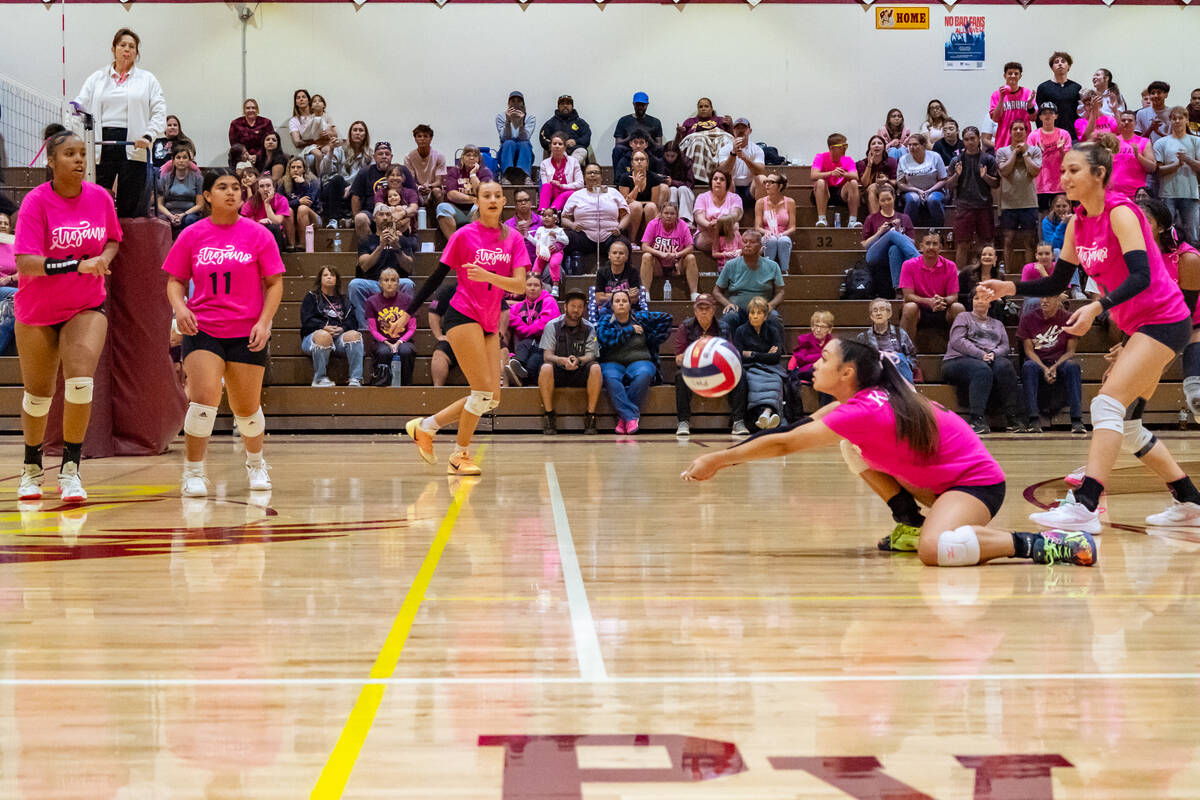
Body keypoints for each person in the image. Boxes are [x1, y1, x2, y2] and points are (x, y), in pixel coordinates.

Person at [681, 337, 1098, 568]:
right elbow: (797, 429)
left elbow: (785, 443)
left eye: (823, 358)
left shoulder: (865, 410)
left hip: (975, 486)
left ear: (847, 373)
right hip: (935, 486)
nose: (813, 364)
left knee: (935, 551)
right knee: (851, 447)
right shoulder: (860, 402)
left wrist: (716, 460)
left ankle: (1044, 544)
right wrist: (725, 456)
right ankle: (910, 521)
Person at [982, 140, 1200, 532]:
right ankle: (1189, 501)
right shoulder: (1077, 223)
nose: (1064, 177)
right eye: (1062, 170)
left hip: (1165, 320)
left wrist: (1097, 307)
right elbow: (1056, 282)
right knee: (1129, 426)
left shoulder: (1122, 212)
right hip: (1141, 326)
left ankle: (1085, 504)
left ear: (1099, 174)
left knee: (1106, 405)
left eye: (1073, 170)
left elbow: (1142, 276)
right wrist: (1010, 289)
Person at [11, 131, 122, 501]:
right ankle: (31, 469)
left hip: (85, 306)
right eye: (70, 154)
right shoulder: (35, 203)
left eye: (82, 153)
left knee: (79, 381)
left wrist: (104, 259)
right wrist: (76, 265)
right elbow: (25, 262)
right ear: (51, 161)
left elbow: (112, 238)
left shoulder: (100, 198)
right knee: (39, 394)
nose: (79, 160)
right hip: (37, 310)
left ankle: (71, 471)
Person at [163, 167, 284, 498]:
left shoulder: (259, 235)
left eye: (235, 187)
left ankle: (256, 463)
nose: (231, 192)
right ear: (207, 196)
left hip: (246, 331)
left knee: (246, 408)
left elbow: (274, 284)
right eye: (222, 187)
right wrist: (181, 308)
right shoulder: (192, 234)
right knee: (203, 398)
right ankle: (194, 472)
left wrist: (263, 322)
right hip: (203, 328)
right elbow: (174, 280)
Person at [402, 180, 529, 476]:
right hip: (461, 315)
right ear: (479, 201)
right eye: (487, 195)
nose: (493, 199)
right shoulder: (463, 236)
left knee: (491, 398)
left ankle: (426, 426)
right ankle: (460, 455)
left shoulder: (514, 239)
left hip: (489, 319)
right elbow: (435, 278)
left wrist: (488, 275)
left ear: (503, 201)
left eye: (498, 195)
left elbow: (520, 285)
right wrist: (408, 312)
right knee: (482, 393)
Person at [72, 28, 166, 217]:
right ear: (113, 48)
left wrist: (149, 135)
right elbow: (78, 107)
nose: (127, 49)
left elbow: (159, 112)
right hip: (100, 144)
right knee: (96, 199)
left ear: (136, 52)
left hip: (134, 144)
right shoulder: (96, 78)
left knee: (131, 204)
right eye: (123, 45)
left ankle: (128, 244)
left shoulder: (148, 79)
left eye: (132, 46)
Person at [1141, 198, 1200, 419]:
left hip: (1193, 318)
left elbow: (1187, 313)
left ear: (1162, 226)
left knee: (1196, 392)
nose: (1137, 225)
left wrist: (1165, 357)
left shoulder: (1186, 257)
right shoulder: (1135, 259)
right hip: (1159, 323)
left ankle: (1196, 392)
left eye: (1145, 220)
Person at [942, 288, 1025, 434]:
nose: (980, 301)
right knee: (981, 369)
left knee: (1005, 366)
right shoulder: (963, 317)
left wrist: (993, 353)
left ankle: (1012, 417)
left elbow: (1004, 346)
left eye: (984, 298)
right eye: (976, 298)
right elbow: (957, 341)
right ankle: (976, 419)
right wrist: (980, 354)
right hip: (957, 359)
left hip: (988, 358)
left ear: (990, 303)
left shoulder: (997, 324)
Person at [595, 289, 673, 435]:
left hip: (640, 360)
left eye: (624, 301)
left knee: (644, 374)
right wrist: (628, 331)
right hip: (612, 362)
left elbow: (667, 318)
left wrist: (653, 336)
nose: (621, 304)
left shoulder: (640, 318)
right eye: (617, 301)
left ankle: (624, 418)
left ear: (630, 305)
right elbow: (604, 339)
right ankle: (630, 417)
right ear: (611, 306)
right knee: (610, 378)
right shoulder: (606, 320)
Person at [673, 293, 749, 437]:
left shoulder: (724, 327)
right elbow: (678, 360)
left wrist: (713, 349)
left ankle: (738, 421)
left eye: (706, 308)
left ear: (713, 310)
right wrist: (699, 349)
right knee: (680, 376)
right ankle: (683, 421)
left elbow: (731, 356)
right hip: (694, 371)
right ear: (694, 311)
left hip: (718, 370)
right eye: (699, 308)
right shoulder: (686, 327)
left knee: (741, 375)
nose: (703, 311)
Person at [538, 288, 601, 436]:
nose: (576, 310)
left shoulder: (590, 328)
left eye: (580, 307)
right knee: (546, 367)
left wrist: (579, 360)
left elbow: (592, 354)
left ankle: (590, 416)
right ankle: (549, 415)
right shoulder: (552, 326)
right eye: (573, 306)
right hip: (559, 369)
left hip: (580, 370)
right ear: (565, 307)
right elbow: (547, 355)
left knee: (596, 368)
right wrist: (561, 360)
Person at [1017, 293, 1083, 433]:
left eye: (1049, 297)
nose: (1044, 300)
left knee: (1073, 367)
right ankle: (1033, 420)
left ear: (1058, 299)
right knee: (1028, 366)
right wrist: (1044, 368)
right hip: (1037, 361)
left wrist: (1054, 367)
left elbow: (1071, 352)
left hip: (1060, 361)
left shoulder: (1069, 318)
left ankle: (1077, 420)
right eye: (1042, 297)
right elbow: (1028, 351)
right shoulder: (1028, 318)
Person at [350, 206, 416, 329]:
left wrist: (397, 249)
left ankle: (403, 327)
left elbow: (409, 267)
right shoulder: (366, 240)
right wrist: (380, 246)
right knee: (355, 284)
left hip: (395, 283)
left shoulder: (402, 240)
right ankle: (365, 329)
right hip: (373, 283)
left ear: (391, 218)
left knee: (408, 283)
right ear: (374, 218)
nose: (385, 217)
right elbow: (364, 266)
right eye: (381, 214)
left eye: (388, 214)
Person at [713, 230, 785, 338]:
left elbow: (781, 292)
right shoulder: (730, 265)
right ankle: (727, 353)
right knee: (727, 320)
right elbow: (716, 291)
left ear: (760, 245)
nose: (747, 245)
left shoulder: (772, 266)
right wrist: (727, 304)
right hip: (738, 310)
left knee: (774, 318)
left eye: (752, 242)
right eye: (745, 241)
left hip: (762, 309)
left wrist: (771, 305)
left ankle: (777, 351)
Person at [301, 265, 363, 387]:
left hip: (338, 338)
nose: (329, 277)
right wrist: (323, 326)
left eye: (332, 275)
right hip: (314, 338)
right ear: (320, 279)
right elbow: (306, 321)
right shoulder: (312, 297)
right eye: (325, 275)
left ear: (337, 279)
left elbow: (352, 321)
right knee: (323, 336)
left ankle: (356, 378)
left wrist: (343, 328)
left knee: (354, 335)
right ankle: (319, 378)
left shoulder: (344, 299)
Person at [946, 126, 999, 270]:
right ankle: (959, 279)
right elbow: (949, 185)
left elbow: (996, 183)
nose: (970, 142)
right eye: (967, 139)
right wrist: (957, 174)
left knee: (986, 243)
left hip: (984, 206)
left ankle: (987, 275)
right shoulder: (956, 160)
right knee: (962, 244)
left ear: (978, 139)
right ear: (963, 141)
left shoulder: (988, 159)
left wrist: (985, 176)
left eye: (972, 139)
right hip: (964, 207)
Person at [899, 230, 965, 344]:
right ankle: (905, 352)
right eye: (928, 243)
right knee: (909, 307)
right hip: (919, 310)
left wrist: (942, 300)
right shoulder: (908, 265)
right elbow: (908, 296)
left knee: (958, 307)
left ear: (940, 248)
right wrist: (928, 301)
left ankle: (958, 350)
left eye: (935, 244)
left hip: (942, 309)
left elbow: (954, 297)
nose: (931, 247)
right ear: (921, 247)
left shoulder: (950, 266)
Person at [996, 119, 1043, 274]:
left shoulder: (1035, 150)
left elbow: (1034, 171)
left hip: (1029, 202)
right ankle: (1008, 275)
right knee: (1008, 240)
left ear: (1026, 132)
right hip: (1008, 203)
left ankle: (1028, 276)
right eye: (1015, 129)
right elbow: (1004, 171)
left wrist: (1025, 153)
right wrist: (1015, 153)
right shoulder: (1002, 151)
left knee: (1029, 241)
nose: (1018, 131)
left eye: (1021, 129)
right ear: (1010, 132)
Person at [561, 164, 629, 269]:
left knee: (624, 244)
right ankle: (559, 277)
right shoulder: (576, 195)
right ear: (584, 177)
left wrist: (620, 228)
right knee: (563, 239)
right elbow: (564, 218)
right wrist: (572, 225)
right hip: (583, 236)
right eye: (589, 173)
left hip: (610, 236)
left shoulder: (613, 192)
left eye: (596, 172)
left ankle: (624, 279)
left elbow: (626, 215)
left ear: (601, 177)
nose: (593, 175)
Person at [735, 296, 787, 431]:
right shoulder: (740, 331)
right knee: (753, 382)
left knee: (776, 380)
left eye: (759, 313)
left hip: (771, 367)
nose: (755, 316)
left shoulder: (772, 330)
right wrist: (765, 354)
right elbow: (739, 356)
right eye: (752, 313)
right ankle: (763, 415)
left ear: (765, 316)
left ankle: (767, 413)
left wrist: (752, 354)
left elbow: (775, 357)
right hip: (751, 368)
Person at [1153, 107, 1200, 246]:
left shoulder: (1196, 141)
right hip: (1168, 194)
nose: (1177, 121)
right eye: (1174, 118)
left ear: (1187, 120)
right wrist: (1177, 164)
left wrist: (1187, 160)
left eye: (1181, 118)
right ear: (1170, 121)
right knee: (1168, 233)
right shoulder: (1161, 143)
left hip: (1190, 194)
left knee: (1192, 234)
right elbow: (1158, 171)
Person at [861, 184, 919, 294]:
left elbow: (911, 243)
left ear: (894, 198)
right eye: (883, 200)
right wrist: (880, 232)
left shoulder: (904, 218)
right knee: (892, 235)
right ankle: (918, 260)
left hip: (895, 255)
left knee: (895, 248)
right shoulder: (871, 218)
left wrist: (899, 231)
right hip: (874, 256)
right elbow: (865, 245)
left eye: (889, 199)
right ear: (878, 202)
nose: (886, 202)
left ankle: (897, 289)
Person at [363, 268, 416, 387]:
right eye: (386, 280)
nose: (390, 283)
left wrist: (399, 342)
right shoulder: (372, 301)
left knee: (406, 351)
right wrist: (387, 343)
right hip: (381, 341)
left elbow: (412, 327)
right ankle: (381, 385)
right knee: (383, 352)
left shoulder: (408, 300)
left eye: (393, 280)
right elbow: (373, 329)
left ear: (398, 283)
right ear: (380, 284)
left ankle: (406, 387)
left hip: (404, 341)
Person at [505, 273, 558, 387]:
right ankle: (516, 369)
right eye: (529, 285)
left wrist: (522, 328)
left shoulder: (549, 301)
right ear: (524, 287)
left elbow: (543, 326)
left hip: (546, 345)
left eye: (536, 285)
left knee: (531, 361)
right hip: (528, 345)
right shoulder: (520, 306)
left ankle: (516, 365)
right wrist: (519, 323)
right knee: (526, 348)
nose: (532, 288)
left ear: (542, 287)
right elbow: (505, 313)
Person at [436, 145, 494, 243]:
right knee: (442, 207)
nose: (471, 158)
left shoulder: (485, 172)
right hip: (457, 210)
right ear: (462, 157)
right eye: (468, 155)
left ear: (479, 159)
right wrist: (473, 199)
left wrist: (473, 175)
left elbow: (482, 193)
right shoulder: (454, 171)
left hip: (475, 211)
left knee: (483, 206)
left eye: (475, 156)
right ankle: (454, 244)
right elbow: (451, 194)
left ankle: (474, 244)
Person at [318, 119, 371, 225]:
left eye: (361, 130)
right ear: (350, 134)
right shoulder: (340, 150)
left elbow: (368, 178)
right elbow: (324, 170)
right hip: (336, 187)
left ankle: (350, 219)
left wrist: (353, 187)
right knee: (338, 179)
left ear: (365, 135)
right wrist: (331, 151)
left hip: (355, 190)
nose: (357, 133)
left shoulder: (369, 155)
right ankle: (333, 220)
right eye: (355, 130)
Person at [784, 309, 834, 421]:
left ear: (829, 330)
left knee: (827, 377)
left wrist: (815, 358)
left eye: (821, 326)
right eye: (815, 326)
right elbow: (801, 359)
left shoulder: (832, 343)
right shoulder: (804, 339)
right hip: (806, 371)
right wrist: (821, 357)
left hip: (822, 373)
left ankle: (824, 417)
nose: (817, 329)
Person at [350, 141, 405, 241]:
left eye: (387, 154)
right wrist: (356, 216)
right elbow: (355, 197)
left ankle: (394, 250)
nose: (384, 156)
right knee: (360, 218)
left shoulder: (400, 171)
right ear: (374, 157)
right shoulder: (365, 172)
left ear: (391, 157)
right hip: (371, 213)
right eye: (380, 154)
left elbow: (412, 194)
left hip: (396, 212)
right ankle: (370, 248)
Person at [857, 298, 917, 383]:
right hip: (875, 377)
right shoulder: (863, 337)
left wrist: (905, 365)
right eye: (875, 310)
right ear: (871, 316)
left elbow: (911, 355)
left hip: (898, 376)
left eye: (882, 310)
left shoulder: (900, 333)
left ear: (889, 314)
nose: (878, 313)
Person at [674, 98, 733, 183]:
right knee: (699, 140)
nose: (703, 108)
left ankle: (722, 175)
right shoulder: (689, 122)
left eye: (706, 106)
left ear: (711, 109)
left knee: (725, 140)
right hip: (699, 143)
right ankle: (698, 177)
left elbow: (731, 138)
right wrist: (678, 134)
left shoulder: (720, 120)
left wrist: (731, 125)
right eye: (700, 106)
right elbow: (681, 145)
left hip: (716, 143)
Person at [897, 134, 948, 226]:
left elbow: (943, 179)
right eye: (910, 145)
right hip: (912, 190)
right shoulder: (903, 159)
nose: (912, 147)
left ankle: (938, 230)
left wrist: (929, 191)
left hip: (934, 189)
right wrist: (916, 190)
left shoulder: (935, 156)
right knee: (913, 200)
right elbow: (900, 183)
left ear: (924, 145)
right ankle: (907, 229)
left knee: (933, 200)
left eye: (915, 144)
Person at [811, 133, 861, 228]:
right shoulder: (820, 157)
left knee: (853, 182)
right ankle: (822, 219)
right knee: (820, 181)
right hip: (823, 192)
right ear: (831, 148)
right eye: (841, 146)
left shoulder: (848, 160)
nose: (844, 148)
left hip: (840, 193)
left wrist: (844, 174)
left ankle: (852, 221)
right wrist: (831, 173)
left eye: (846, 145)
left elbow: (856, 176)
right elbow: (813, 175)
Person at [716, 117, 766, 209]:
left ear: (749, 131)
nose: (740, 130)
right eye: (737, 128)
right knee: (725, 178)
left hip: (750, 189)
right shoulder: (725, 149)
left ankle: (760, 215)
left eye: (743, 128)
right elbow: (723, 171)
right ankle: (730, 215)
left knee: (762, 178)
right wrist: (733, 154)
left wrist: (745, 158)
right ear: (733, 131)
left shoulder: (756, 149)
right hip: (732, 188)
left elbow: (760, 171)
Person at [155, 144, 204, 236]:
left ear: (190, 161)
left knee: (190, 220)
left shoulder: (198, 178)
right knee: (160, 221)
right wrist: (170, 216)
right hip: (169, 213)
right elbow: (159, 204)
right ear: (173, 161)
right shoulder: (164, 178)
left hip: (189, 214)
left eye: (185, 158)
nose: (181, 160)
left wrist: (183, 214)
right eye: (178, 157)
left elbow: (200, 205)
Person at [617, 150, 666, 241]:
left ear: (647, 163)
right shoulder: (624, 178)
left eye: (642, 159)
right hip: (631, 209)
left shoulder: (654, 178)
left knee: (650, 207)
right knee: (636, 206)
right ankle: (632, 240)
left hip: (649, 209)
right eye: (636, 159)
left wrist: (637, 202)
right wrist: (637, 186)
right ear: (632, 163)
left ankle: (650, 240)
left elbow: (654, 202)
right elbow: (625, 202)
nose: (639, 162)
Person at [693, 168, 742, 254]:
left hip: (728, 233)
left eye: (722, 179)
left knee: (734, 231)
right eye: (715, 179)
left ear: (727, 183)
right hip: (706, 234)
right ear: (711, 182)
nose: (718, 181)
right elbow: (698, 216)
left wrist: (720, 223)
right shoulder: (702, 197)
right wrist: (708, 224)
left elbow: (735, 214)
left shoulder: (735, 198)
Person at [990, 61, 1037, 151]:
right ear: (1005, 75)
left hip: (1024, 142)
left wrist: (1030, 105)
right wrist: (1002, 98)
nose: (1013, 76)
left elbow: (1033, 118)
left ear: (1020, 76)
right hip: (1004, 142)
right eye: (1010, 73)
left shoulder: (1027, 93)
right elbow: (995, 118)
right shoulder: (996, 94)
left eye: (1016, 73)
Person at [1035, 51, 1082, 140]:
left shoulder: (1077, 87)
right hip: (1049, 136)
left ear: (1069, 66)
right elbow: (1039, 115)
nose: (1060, 64)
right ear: (1052, 67)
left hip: (1072, 136)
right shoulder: (1043, 87)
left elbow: (1080, 113)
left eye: (1063, 62)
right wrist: (1041, 135)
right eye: (1056, 62)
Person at [279, 156, 322, 252]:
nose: (295, 170)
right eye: (293, 167)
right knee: (287, 210)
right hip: (292, 216)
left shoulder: (312, 182)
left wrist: (302, 185)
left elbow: (308, 202)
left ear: (304, 169)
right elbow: (280, 204)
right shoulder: (282, 183)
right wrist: (298, 202)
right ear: (289, 169)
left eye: (299, 167)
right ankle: (291, 244)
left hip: (312, 217)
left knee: (302, 208)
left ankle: (303, 244)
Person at [756, 173, 796, 275]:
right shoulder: (760, 202)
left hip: (783, 234)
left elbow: (792, 227)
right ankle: (769, 270)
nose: (767, 185)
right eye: (766, 182)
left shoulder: (790, 202)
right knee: (771, 240)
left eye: (771, 182)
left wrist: (783, 234)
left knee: (784, 241)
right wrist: (767, 232)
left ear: (780, 186)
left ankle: (784, 270)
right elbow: (757, 227)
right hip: (767, 234)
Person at [1111, 109, 1156, 199]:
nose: (1126, 122)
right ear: (1119, 123)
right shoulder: (1112, 141)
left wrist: (1138, 156)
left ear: (1135, 124)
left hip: (1136, 194)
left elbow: (1152, 168)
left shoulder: (1144, 142)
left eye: (1130, 120)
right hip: (1114, 194)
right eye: (1123, 120)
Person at [613, 92, 664, 170]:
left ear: (647, 105)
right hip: (629, 150)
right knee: (617, 150)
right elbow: (618, 143)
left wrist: (648, 137)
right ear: (633, 104)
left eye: (643, 105)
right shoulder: (623, 121)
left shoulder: (655, 122)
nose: (640, 107)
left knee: (661, 150)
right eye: (638, 105)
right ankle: (617, 179)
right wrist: (631, 136)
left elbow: (659, 145)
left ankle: (658, 177)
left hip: (648, 150)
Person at [538, 94, 592, 167]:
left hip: (576, 150)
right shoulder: (550, 123)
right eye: (562, 104)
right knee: (555, 153)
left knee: (582, 151)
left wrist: (575, 141)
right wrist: (555, 144)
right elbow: (543, 138)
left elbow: (587, 138)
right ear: (558, 107)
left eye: (568, 103)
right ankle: (566, 171)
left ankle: (568, 168)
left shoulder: (581, 123)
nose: (565, 106)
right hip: (557, 151)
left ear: (572, 106)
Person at [496, 90, 536, 185]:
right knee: (509, 142)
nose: (516, 104)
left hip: (524, 150)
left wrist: (521, 123)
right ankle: (505, 175)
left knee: (524, 144)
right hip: (506, 149)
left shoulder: (530, 118)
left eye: (519, 101)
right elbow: (505, 137)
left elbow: (525, 138)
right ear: (508, 103)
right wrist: (508, 122)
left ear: (523, 103)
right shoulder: (500, 117)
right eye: (513, 101)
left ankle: (526, 176)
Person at [240, 174, 289, 250]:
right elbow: (244, 223)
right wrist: (259, 223)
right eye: (262, 186)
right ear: (258, 189)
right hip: (257, 234)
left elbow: (277, 221)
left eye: (268, 185)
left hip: (277, 235)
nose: (265, 189)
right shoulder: (251, 202)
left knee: (272, 227)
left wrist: (267, 203)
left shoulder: (281, 200)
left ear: (273, 187)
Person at [404, 124, 446, 210]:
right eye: (419, 136)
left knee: (437, 191)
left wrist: (429, 186)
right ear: (415, 139)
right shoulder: (408, 157)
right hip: (416, 188)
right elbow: (410, 180)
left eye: (425, 136)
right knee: (408, 192)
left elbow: (439, 181)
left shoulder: (439, 156)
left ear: (430, 139)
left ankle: (439, 221)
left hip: (432, 187)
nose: (422, 139)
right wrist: (419, 187)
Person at [595, 238, 644, 312]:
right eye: (614, 253)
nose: (617, 256)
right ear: (609, 255)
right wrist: (626, 294)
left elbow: (634, 299)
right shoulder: (601, 272)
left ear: (626, 257)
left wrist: (607, 295)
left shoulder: (633, 272)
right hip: (608, 309)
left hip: (630, 310)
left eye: (621, 253)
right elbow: (599, 299)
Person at [539, 133, 584, 212]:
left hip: (568, 193)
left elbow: (580, 184)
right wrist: (554, 183)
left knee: (565, 194)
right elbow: (545, 184)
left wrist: (562, 186)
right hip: (553, 194)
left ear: (564, 147)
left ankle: (551, 212)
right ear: (550, 146)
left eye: (560, 144)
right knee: (546, 186)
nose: (557, 146)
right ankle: (542, 211)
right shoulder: (544, 163)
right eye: (554, 144)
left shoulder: (573, 161)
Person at [858, 135, 899, 217]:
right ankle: (876, 221)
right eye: (873, 144)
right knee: (873, 186)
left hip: (887, 189)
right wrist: (869, 164)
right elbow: (864, 183)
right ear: (869, 148)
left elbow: (896, 182)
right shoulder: (862, 163)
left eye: (880, 143)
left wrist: (887, 180)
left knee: (886, 186)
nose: (876, 145)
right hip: (868, 193)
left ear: (884, 147)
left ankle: (889, 218)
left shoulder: (891, 161)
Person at [661, 141, 697, 224]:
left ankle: (685, 220)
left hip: (686, 193)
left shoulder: (685, 161)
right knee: (673, 189)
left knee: (683, 189)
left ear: (678, 154)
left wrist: (673, 182)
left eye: (672, 156)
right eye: (667, 155)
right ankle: (671, 218)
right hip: (669, 193)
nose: (669, 158)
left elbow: (690, 184)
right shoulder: (661, 162)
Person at [228, 98, 274, 164]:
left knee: (267, 173)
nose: (251, 110)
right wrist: (247, 156)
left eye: (253, 108)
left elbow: (270, 142)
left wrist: (257, 156)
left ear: (257, 109)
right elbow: (234, 145)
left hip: (263, 157)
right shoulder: (235, 123)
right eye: (248, 108)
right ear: (244, 110)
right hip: (241, 158)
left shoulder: (266, 122)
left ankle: (265, 173)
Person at [1135, 81, 1172, 145]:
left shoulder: (1172, 113)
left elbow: (1175, 139)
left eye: (1159, 93)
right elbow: (1138, 140)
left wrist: (1158, 132)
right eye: (1153, 93)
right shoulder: (1141, 113)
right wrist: (1151, 128)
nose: (1156, 96)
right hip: (1148, 152)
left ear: (1166, 95)